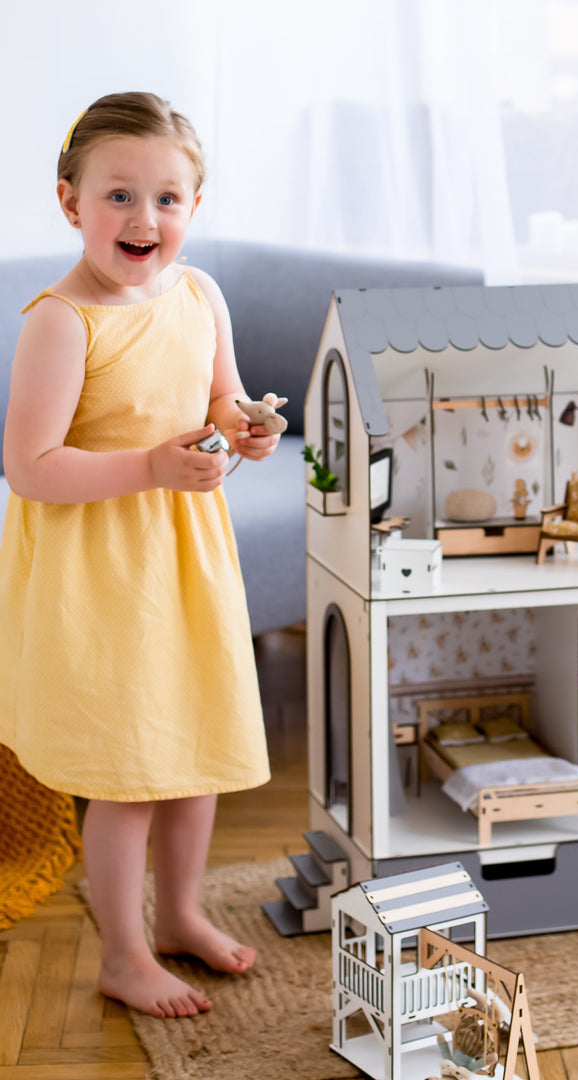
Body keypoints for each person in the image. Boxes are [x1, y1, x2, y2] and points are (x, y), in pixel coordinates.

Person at [0, 92, 279, 1019]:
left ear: (193, 209)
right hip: (103, 574)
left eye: (166, 198)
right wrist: (153, 463)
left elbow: (222, 400)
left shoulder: (200, 294)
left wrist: (247, 431)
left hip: (185, 563)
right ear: (69, 202)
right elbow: (32, 469)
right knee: (129, 771)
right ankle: (123, 950)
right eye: (118, 196)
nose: (143, 218)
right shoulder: (61, 321)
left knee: (193, 750)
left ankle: (180, 915)